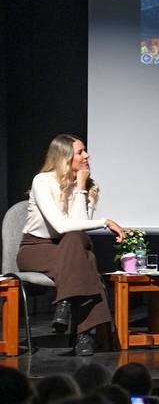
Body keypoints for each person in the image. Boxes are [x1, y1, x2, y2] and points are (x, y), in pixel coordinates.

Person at [16, 135, 126, 356]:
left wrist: (80, 187)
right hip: (36, 249)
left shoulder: (88, 187)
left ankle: (65, 302)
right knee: (87, 260)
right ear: (64, 157)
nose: (87, 155)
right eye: (80, 152)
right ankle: (85, 335)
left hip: (69, 247)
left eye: (85, 151)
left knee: (76, 241)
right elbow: (60, 225)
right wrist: (105, 222)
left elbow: (79, 226)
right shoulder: (42, 181)